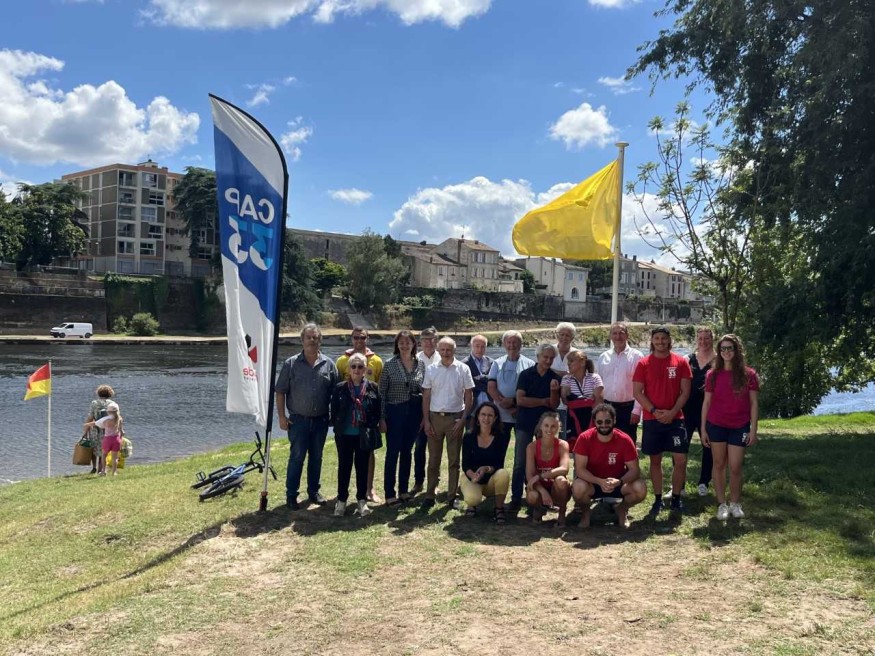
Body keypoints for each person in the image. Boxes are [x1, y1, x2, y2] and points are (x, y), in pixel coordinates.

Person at [275, 323, 339, 511]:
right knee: (297, 457)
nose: (312, 340)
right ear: (302, 340)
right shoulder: (291, 364)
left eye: (315, 337)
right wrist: (281, 417)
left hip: (321, 421)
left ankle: (313, 492)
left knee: (316, 457)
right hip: (298, 421)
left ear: (320, 340)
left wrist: (334, 417)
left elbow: (336, 394)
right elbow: (280, 391)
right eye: (309, 337)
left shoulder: (329, 365)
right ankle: (291, 495)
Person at [632, 326, 692, 516]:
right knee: (655, 460)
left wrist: (672, 412)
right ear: (652, 341)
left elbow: (685, 392)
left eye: (664, 338)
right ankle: (658, 500)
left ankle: (676, 498)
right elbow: (637, 392)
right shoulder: (643, 363)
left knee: (680, 460)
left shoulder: (681, 362)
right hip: (652, 419)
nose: (660, 342)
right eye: (657, 338)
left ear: (669, 340)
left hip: (676, 419)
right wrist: (654, 411)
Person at [701, 334, 760, 520]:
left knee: (735, 466)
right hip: (716, 425)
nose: (726, 352)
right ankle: (721, 504)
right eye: (723, 349)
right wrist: (703, 429)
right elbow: (706, 403)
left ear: (737, 350)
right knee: (719, 464)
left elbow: (753, 403)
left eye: (730, 348)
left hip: (739, 426)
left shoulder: (749, 375)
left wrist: (753, 430)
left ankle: (735, 503)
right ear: (719, 351)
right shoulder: (712, 375)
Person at [572, 404, 648, 527]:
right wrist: (599, 481)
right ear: (594, 422)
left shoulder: (625, 439)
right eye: (599, 422)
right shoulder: (584, 438)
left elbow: (634, 470)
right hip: (592, 483)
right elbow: (580, 470)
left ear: (614, 420)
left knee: (640, 488)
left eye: (607, 421)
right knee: (578, 487)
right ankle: (586, 513)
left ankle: (622, 509)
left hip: (618, 483)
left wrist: (619, 481)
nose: (604, 425)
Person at [421, 337, 475, 510]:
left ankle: (452, 496)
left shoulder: (463, 368)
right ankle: (430, 495)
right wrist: (426, 420)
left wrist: (463, 419)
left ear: (454, 350)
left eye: (449, 350)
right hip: (435, 418)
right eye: (442, 350)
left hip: (455, 419)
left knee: (454, 460)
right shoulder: (431, 369)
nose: (445, 353)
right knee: (433, 460)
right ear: (438, 350)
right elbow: (426, 396)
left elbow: (469, 395)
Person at [509, 343, 561, 513]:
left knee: (543, 462)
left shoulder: (554, 378)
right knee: (520, 462)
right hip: (525, 422)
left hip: (545, 426)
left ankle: (539, 497)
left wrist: (553, 393)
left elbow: (554, 404)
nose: (548, 360)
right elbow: (520, 400)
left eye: (551, 358)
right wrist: (543, 401)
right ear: (538, 357)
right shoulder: (525, 374)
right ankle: (516, 498)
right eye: (545, 357)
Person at [335, 326, 384, 504]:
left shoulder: (376, 361)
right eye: (356, 337)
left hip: (367, 419)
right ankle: (343, 496)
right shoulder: (342, 360)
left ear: (367, 339)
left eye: (362, 337)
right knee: (345, 462)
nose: (359, 340)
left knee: (368, 456)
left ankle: (369, 489)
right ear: (351, 339)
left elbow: (380, 392)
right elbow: (336, 391)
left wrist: (379, 419)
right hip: (347, 421)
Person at [330, 353, 382, 517]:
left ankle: (361, 500)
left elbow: (378, 409)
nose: (357, 369)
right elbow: (334, 409)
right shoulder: (340, 388)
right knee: (344, 467)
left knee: (362, 467)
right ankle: (341, 501)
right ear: (349, 369)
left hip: (363, 435)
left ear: (365, 369)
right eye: (353, 366)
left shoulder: (373, 387)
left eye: (360, 366)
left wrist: (371, 424)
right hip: (344, 434)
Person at [378, 330, 425, 505]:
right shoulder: (389, 364)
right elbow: (382, 393)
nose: (405, 346)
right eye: (401, 343)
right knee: (392, 452)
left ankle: (403, 491)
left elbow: (424, 391)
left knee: (407, 452)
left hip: (414, 412)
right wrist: (382, 418)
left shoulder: (421, 364)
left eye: (408, 342)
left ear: (413, 344)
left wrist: (424, 416)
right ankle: (390, 493)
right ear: (397, 345)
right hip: (395, 412)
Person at [487, 329, 535, 463]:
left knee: (522, 455)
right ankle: (497, 475)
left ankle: (520, 477)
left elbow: (532, 390)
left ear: (521, 344)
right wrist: (504, 404)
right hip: (501, 415)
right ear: (504, 344)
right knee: (498, 452)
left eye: (515, 342)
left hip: (522, 415)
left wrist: (516, 406)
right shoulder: (497, 363)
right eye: (509, 342)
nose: (512, 345)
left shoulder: (530, 364)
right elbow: (491, 387)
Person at [460, 401, 510, 524]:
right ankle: (471, 504)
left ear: (495, 418)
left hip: (490, 479)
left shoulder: (501, 437)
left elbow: (499, 464)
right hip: (472, 477)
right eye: (483, 414)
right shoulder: (469, 436)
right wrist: (473, 475)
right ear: (477, 416)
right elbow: (465, 464)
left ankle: (499, 509)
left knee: (503, 474)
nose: (486, 418)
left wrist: (485, 469)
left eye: (490, 415)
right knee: (473, 499)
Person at [597, 322, 643, 444]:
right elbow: (599, 384)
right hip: (607, 406)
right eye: (615, 333)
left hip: (628, 408)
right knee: (606, 441)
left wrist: (637, 410)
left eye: (621, 333)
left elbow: (642, 386)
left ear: (627, 335)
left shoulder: (637, 356)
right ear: (610, 336)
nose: (618, 337)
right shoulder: (603, 357)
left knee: (628, 442)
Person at [684, 327, 717, 496]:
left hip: (710, 411)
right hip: (687, 410)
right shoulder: (687, 359)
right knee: (681, 447)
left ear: (713, 339)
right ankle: (678, 484)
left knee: (708, 447)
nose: (703, 341)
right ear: (696, 340)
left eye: (707, 338)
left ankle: (704, 482)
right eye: (700, 338)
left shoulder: (719, 361)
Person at [525, 411, 571, 526]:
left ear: (558, 428)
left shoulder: (562, 445)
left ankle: (562, 513)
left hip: (556, 486)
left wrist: (541, 476)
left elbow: (564, 469)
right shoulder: (532, 447)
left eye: (553, 426)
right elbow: (530, 475)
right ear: (540, 426)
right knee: (532, 495)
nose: (549, 429)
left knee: (562, 480)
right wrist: (542, 491)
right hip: (539, 486)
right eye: (546, 425)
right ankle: (538, 509)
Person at [412, 326, 440, 494]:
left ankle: (434, 482)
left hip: (437, 408)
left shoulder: (443, 357)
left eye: (432, 339)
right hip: (418, 410)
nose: (429, 342)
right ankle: (419, 481)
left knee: (435, 450)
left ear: (437, 341)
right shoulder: (414, 359)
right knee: (419, 447)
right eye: (425, 339)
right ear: (420, 342)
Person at [561, 349, 604, 450]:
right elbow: (565, 400)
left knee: (593, 446)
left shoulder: (595, 377)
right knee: (575, 446)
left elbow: (599, 401)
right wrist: (587, 399)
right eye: (568, 361)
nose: (568, 364)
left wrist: (577, 400)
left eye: (571, 361)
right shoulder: (566, 379)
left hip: (592, 418)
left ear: (582, 362)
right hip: (574, 419)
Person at [84, 401, 123, 476]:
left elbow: (96, 423)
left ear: (108, 411)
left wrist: (86, 424)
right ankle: (114, 472)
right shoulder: (119, 419)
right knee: (115, 458)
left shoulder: (106, 419)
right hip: (116, 439)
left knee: (104, 455)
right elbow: (122, 431)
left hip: (107, 439)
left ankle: (103, 471)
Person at [84, 384, 115, 474]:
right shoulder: (112, 404)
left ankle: (94, 467)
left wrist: (85, 431)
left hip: (95, 428)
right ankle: (101, 468)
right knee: (103, 449)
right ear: (110, 393)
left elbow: (90, 417)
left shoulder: (94, 403)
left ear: (98, 393)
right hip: (107, 430)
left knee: (93, 448)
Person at [552, 322, 576, 434]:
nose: (564, 338)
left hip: (568, 403)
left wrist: (553, 372)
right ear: (557, 335)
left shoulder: (577, 354)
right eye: (562, 334)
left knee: (566, 436)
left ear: (572, 337)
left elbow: (579, 374)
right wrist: (566, 373)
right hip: (549, 401)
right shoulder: (548, 350)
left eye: (568, 335)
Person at [463, 334, 493, 407]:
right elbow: (467, 385)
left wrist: (479, 379)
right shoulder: (464, 364)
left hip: (489, 403)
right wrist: (487, 382)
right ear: (471, 346)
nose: (480, 349)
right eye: (477, 346)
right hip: (472, 405)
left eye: (483, 347)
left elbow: (494, 381)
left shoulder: (492, 362)